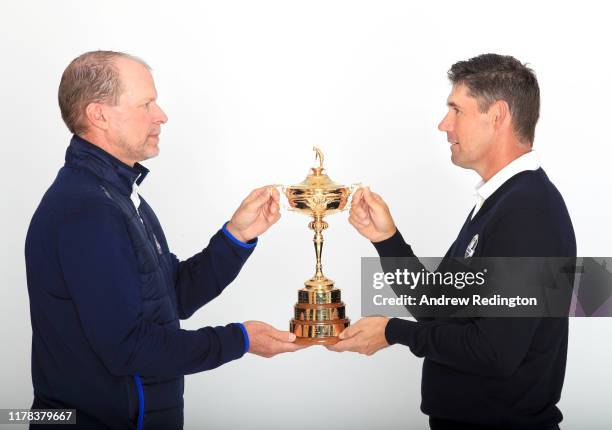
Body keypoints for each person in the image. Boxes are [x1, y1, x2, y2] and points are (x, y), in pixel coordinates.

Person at [25, 51, 303, 430]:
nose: (161, 115)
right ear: (99, 115)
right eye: (146, 104)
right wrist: (239, 340)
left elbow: (173, 298)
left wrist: (237, 237)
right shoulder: (87, 209)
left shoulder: (119, 196)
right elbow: (130, 347)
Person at [328, 54, 576, 430]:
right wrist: (387, 239)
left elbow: (495, 352)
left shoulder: (528, 211)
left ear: (497, 116)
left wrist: (393, 332)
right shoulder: (501, 203)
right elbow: (437, 307)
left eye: (456, 110)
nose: (444, 124)